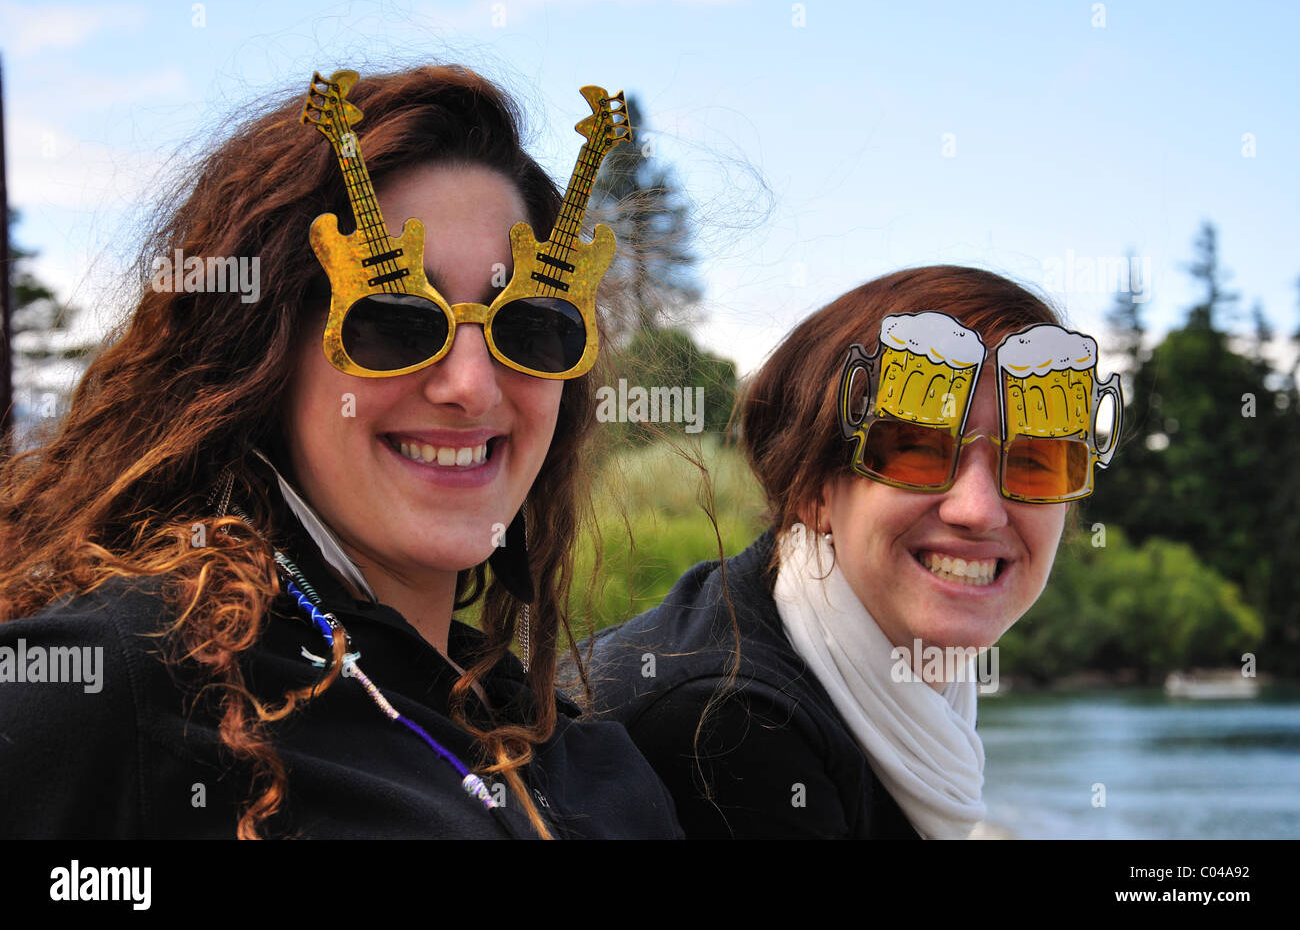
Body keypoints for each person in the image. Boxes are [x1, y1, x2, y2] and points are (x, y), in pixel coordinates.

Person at [0, 65, 679, 839]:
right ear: (260, 356)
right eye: (393, 320)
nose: (471, 386)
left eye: (528, 326)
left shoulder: (590, 763)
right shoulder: (124, 691)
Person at [583, 266, 1123, 839]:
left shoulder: (881, 688)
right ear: (812, 490)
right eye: (916, 450)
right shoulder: (729, 723)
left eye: (1037, 461)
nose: (980, 510)